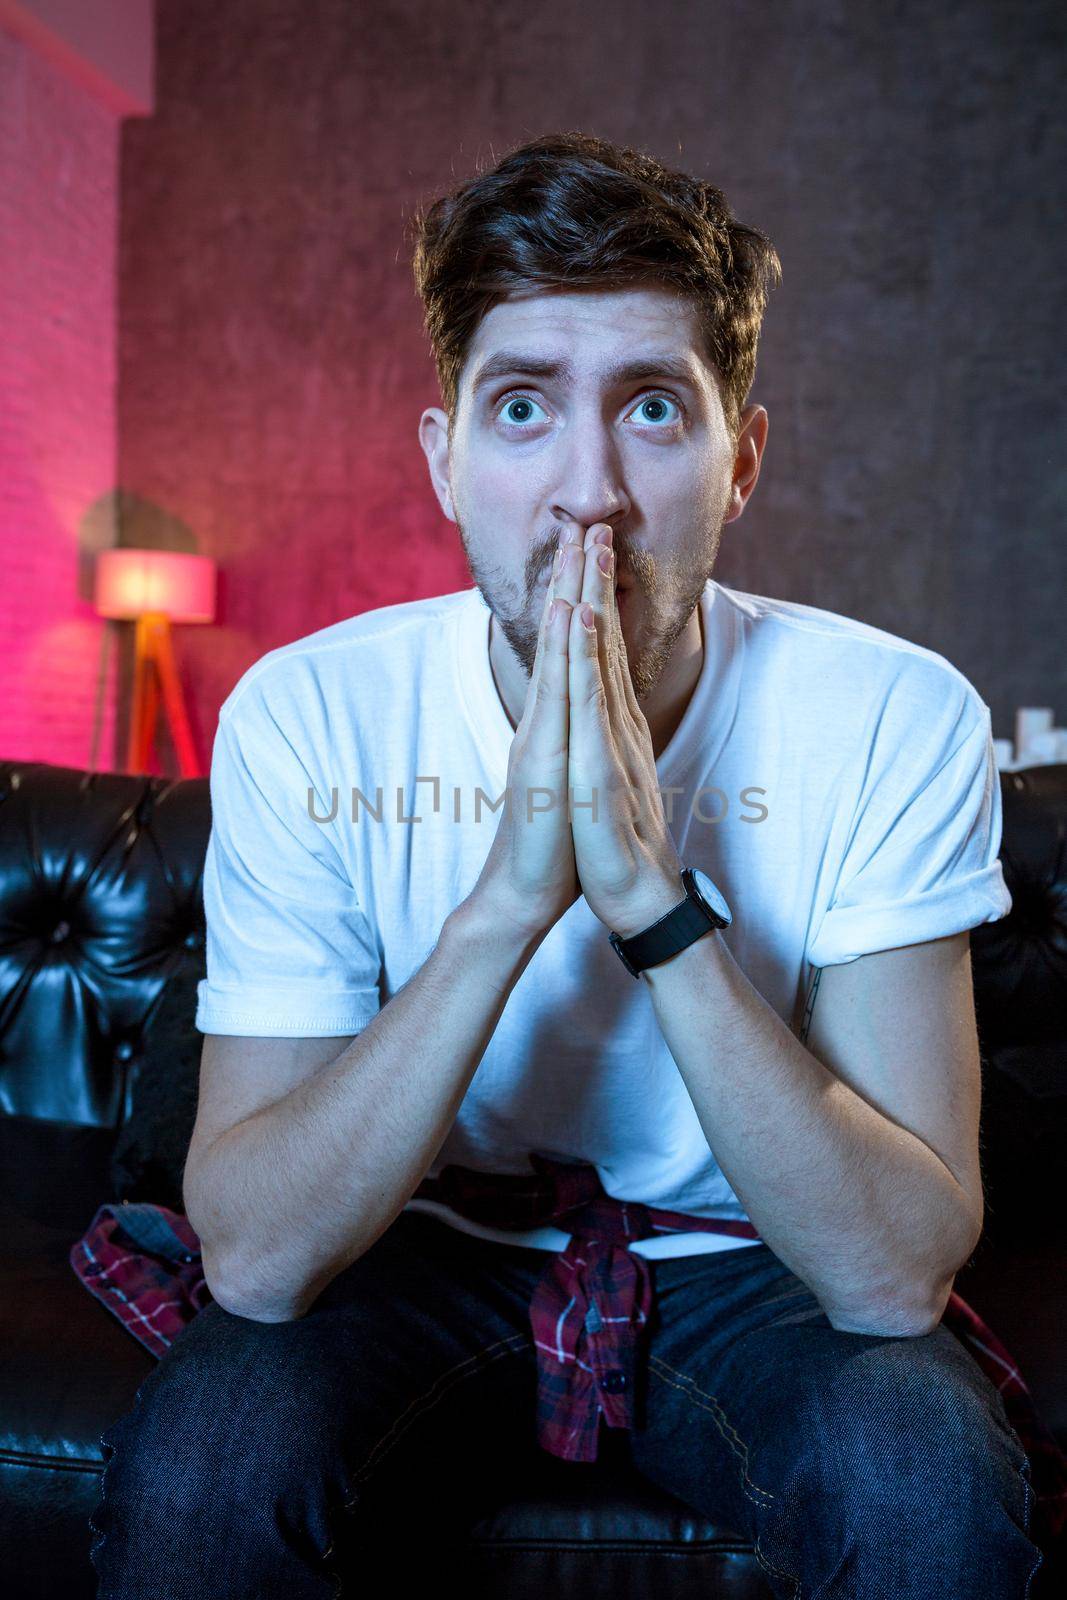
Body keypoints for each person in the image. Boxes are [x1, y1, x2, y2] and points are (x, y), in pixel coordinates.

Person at [88, 130, 1047, 1599]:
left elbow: (892, 1272)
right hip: (418, 1250)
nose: (585, 491)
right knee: (208, 1468)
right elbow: (265, 1262)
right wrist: (510, 902)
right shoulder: (306, 709)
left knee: (924, 1485)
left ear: (743, 463)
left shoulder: (894, 713)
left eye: (655, 408)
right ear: (445, 461)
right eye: (522, 406)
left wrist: (655, 907)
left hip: (750, 1266)